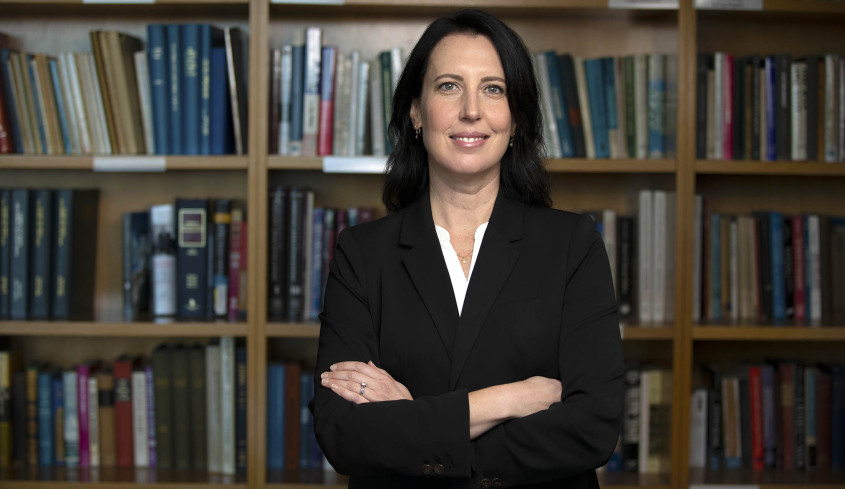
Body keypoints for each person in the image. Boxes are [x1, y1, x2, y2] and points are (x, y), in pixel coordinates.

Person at [310, 8, 624, 488]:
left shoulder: (572, 246)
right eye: (448, 86)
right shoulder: (362, 253)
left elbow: (592, 428)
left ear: (515, 118)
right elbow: (343, 434)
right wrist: (512, 400)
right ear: (415, 111)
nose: (471, 110)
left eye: (493, 89)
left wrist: (413, 420)